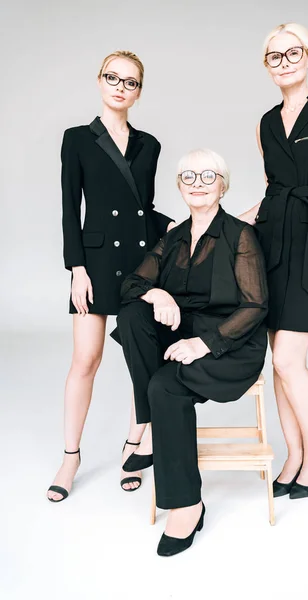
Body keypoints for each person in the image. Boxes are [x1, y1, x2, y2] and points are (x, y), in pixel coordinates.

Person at [111, 149, 268, 555]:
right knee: (132, 315)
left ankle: (186, 505)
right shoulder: (174, 236)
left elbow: (254, 307)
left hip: (229, 344)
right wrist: (158, 291)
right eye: (188, 177)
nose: (198, 183)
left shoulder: (239, 235)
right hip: (182, 337)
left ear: (223, 184)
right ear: (180, 187)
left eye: (208, 175)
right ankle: (146, 425)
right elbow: (130, 283)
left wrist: (204, 344)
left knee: (165, 388)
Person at [47, 51, 175, 503]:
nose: (121, 86)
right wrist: (76, 269)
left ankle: (133, 446)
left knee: (141, 358)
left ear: (140, 91)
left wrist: (180, 228)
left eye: (132, 82)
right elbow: (70, 209)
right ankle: (70, 456)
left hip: (141, 264)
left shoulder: (150, 145)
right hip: (96, 265)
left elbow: (145, 210)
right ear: (99, 80)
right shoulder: (77, 139)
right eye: (113, 77)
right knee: (86, 359)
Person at [239, 23, 308, 499]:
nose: (284, 62)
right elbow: (271, 194)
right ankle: (294, 455)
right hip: (273, 243)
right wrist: (216, 223)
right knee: (276, 361)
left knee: (290, 358)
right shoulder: (266, 122)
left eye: (292, 53)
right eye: (274, 56)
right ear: (266, 67)